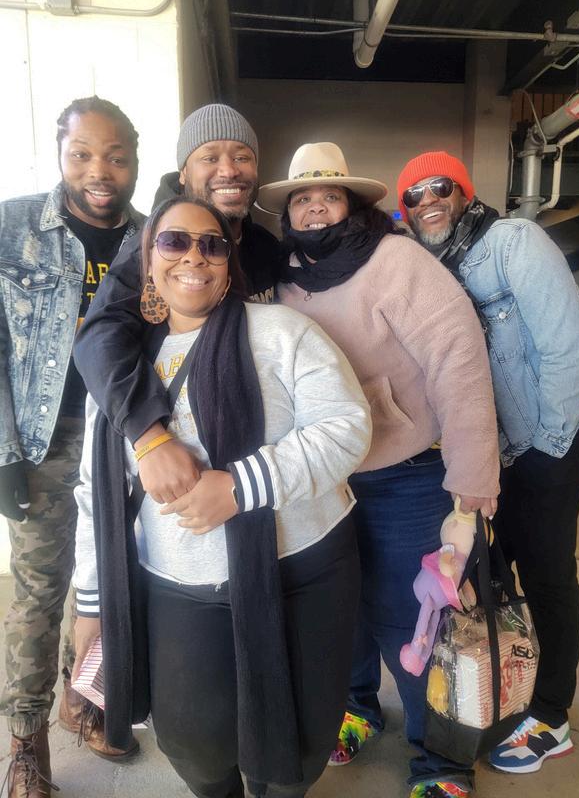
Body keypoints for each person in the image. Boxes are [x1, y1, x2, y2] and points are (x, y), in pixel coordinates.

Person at [72, 195, 372, 798]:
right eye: (174, 241)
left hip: (302, 574)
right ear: (148, 261)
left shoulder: (283, 332)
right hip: (178, 586)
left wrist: (241, 487)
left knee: (301, 744)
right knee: (193, 743)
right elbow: (95, 494)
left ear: (229, 266)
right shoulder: (122, 370)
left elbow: (347, 427)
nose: (194, 257)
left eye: (212, 245)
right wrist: (90, 602)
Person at [256, 143, 500, 798]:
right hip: (323, 478)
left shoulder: (396, 261)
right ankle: (358, 706)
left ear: (352, 204)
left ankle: (441, 761)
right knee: (343, 609)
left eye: (329, 195)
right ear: (289, 212)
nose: (315, 207)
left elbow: (459, 360)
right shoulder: (282, 274)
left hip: (405, 473)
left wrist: (471, 485)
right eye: (303, 198)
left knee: (412, 618)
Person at [397, 150, 579, 776]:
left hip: (548, 438)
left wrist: (546, 449)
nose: (428, 201)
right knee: (496, 579)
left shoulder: (513, 242)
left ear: (463, 191)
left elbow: (571, 349)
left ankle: (552, 717)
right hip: (489, 451)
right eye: (413, 196)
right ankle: (513, 693)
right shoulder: (430, 267)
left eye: (440, 187)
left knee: (546, 574)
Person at [0, 96, 144, 796]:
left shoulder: (153, 237)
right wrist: (3, 453)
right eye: (82, 154)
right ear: (60, 153)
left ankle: (81, 699)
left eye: (115, 157)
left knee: (108, 581)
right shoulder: (13, 227)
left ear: (134, 161)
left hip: (121, 441)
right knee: (39, 590)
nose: (99, 171)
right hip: (44, 442)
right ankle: (25, 744)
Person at [73, 102, 281, 509]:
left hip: (261, 468)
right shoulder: (155, 246)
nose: (228, 170)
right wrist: (149, 436)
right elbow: (99, 336)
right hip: (179, 468)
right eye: (209, 157)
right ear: (183, 172)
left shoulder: (265, 247)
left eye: (242, 157)